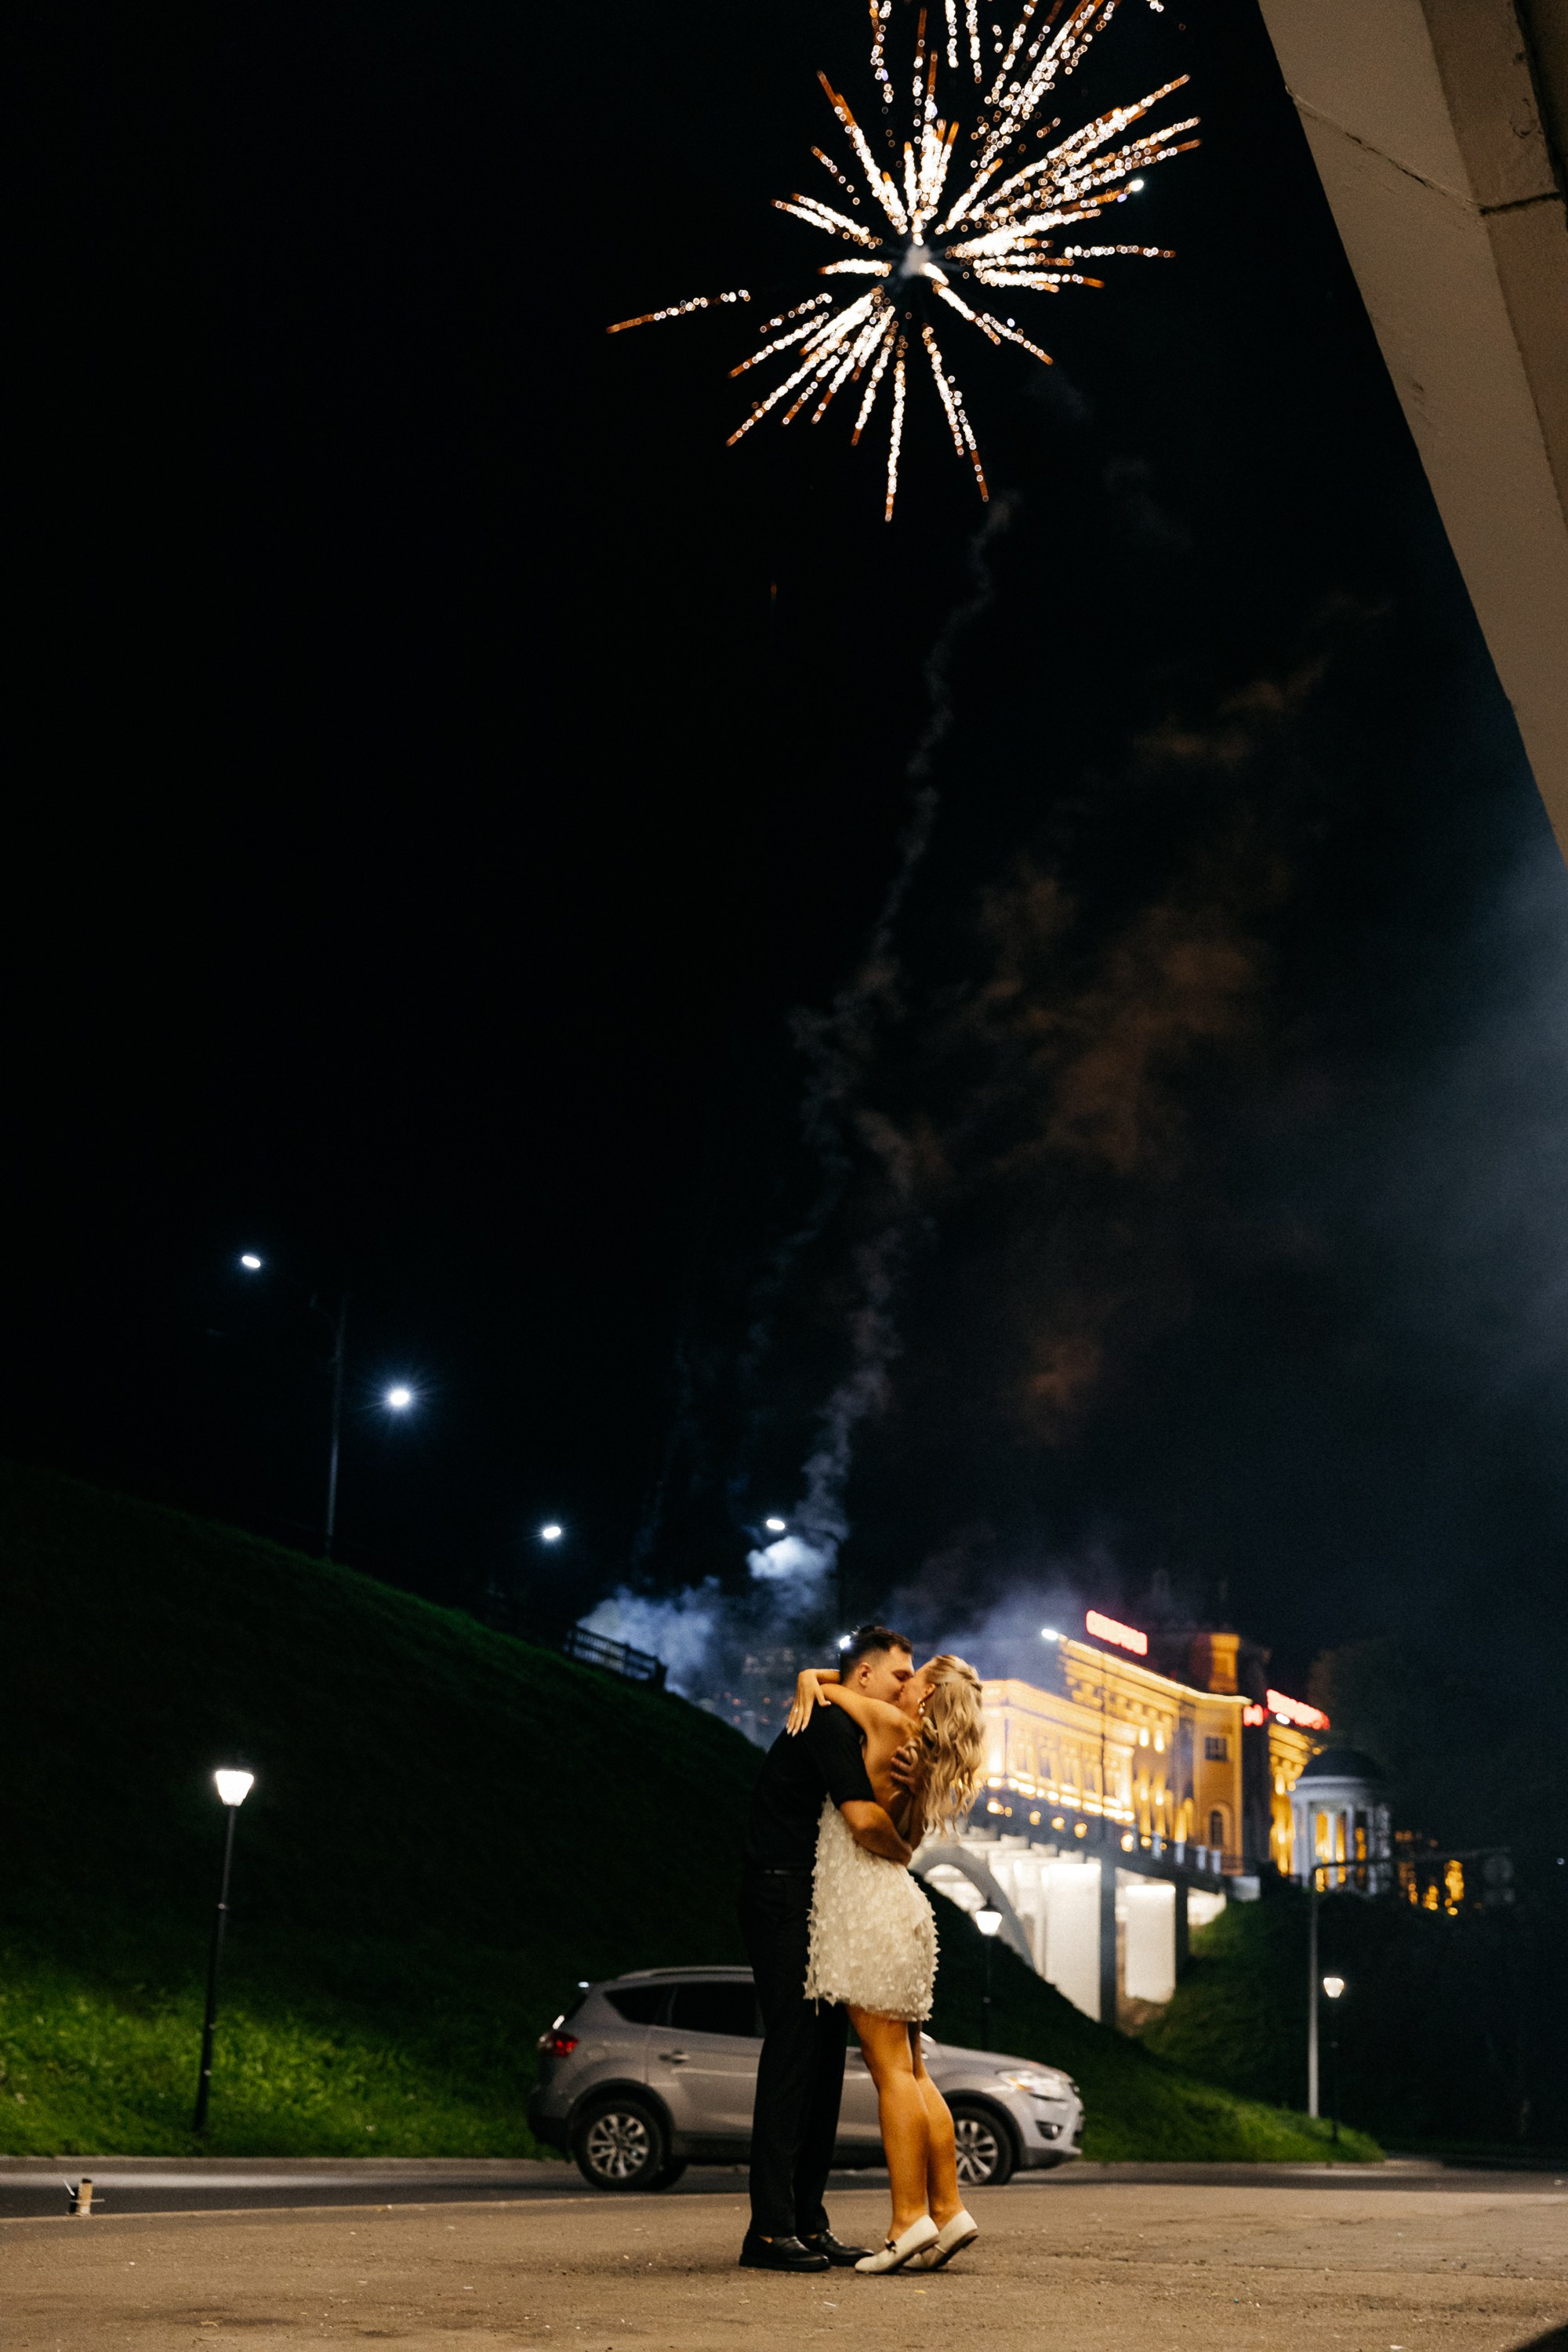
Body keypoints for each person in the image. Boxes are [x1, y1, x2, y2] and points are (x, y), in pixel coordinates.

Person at [787, 1649, 986, 2274]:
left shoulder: (887, 1722)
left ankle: (907, 2222)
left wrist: (802, 1677)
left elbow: (833, 1688)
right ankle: (949, 2209)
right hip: (903, 1910)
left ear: (925, 1697)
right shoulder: (926, 1760)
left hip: (870, 1908)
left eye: (913, 1676)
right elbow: (913, 1841)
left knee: (890, 2073)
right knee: (915, 2071)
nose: (901, 1682)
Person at [737, 1624, 920, 2274]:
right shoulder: (826, 1725)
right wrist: (904, 1855)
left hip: (815, 1902)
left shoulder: (848, 1717)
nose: (907, 1688)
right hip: (782, 1896)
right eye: (901, 1676)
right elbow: (864, 1822)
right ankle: (768, 2231)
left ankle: (808, 2224)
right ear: (865, 1678)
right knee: (793, 2052)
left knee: (820, 2061)